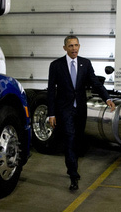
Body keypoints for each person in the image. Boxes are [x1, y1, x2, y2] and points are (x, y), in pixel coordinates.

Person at [47, 35, 115, 190]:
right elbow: (51, 91)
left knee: (77, 140)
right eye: (70, 46)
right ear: (65, 48)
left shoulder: (85, 63)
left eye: (76, 45)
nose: (74, 49)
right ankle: (73, 175)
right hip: (65, 109)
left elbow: (96, 84)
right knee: (70, 139)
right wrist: (52, 114)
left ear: (79, 46)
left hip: (81, 109)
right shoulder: (56, 65)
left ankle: (72, 165)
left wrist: (107, 98)